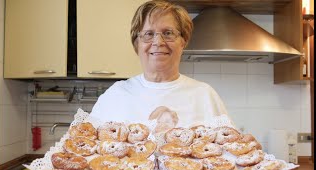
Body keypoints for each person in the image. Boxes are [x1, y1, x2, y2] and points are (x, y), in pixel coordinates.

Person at [90, 0, 231, 130]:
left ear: (183, 41)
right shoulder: (115, 95)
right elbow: (83, 148)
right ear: (137, 43)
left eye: (168, 33)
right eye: (148, 34)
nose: (158, 42)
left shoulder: (204, 95)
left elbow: (231, 151)